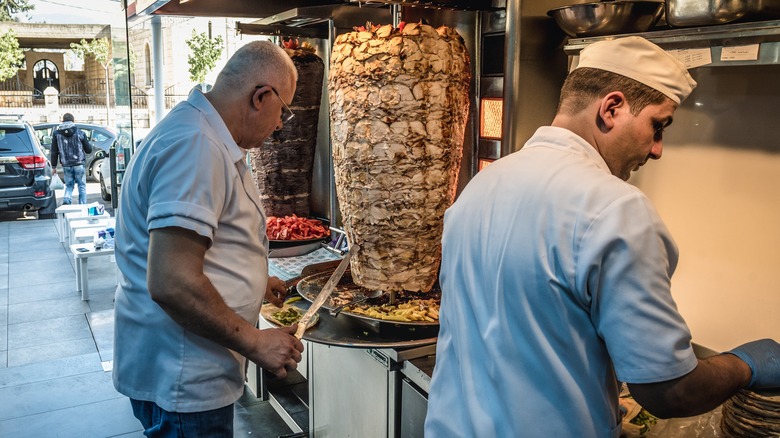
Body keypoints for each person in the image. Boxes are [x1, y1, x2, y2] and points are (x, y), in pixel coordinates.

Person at [425, 36, 780, 437]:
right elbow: (669, 391)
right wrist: (746, 364)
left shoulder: (482, 186)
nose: (657, 149)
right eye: (657, 126)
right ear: (612, 108)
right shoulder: (616, 209)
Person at [112, 41, 304, 437]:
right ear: (261, 97)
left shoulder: (203, 134)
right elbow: (172, 280)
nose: (281, 125)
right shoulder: (195, 145)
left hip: (183, 367)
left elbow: (203, 243)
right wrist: (255, 341)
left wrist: (254, 281)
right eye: (283, 111)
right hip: (184, 375)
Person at [50, 113, 92, 205]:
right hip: (79, 164)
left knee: (69, 185)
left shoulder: (56, 134)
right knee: (81, 185)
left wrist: (53, 166)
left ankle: (67, 199)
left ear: (63, 121)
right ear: (73, 121)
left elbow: (54, 151)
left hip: (66, 165)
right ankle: (82, 205)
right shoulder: (80, 133)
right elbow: (88, 150)